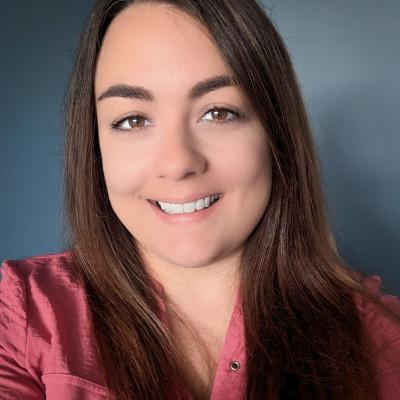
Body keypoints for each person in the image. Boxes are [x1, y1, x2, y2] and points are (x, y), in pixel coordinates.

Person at [1, 0, 399, 399]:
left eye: (218, 113)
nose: (177, 163)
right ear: (94, 145)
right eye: (133, 120)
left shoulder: (384, 342)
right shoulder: (22, 318)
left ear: (276, 134)